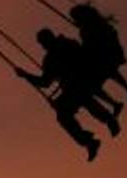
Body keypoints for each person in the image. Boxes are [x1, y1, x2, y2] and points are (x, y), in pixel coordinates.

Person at [17, 27, 119, 159]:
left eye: (43, 43)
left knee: (77, 104)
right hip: (77, 84)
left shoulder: (58, 52)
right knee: (73, 106)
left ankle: (99, 130)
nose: (43, 47)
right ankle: (98, 131)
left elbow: (45, 82)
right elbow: (46, 82)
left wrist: (26, 75)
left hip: (80, 82)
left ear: (48, 40)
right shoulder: (59, 51)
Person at [69, 3, 127, 110]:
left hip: (104, 56)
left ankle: (117, 100)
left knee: (95, 81)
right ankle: (124, 94)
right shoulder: (94, 25)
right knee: (108, 72)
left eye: (76, 18)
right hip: (107, 56)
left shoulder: (90, 28)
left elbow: (89, 46)